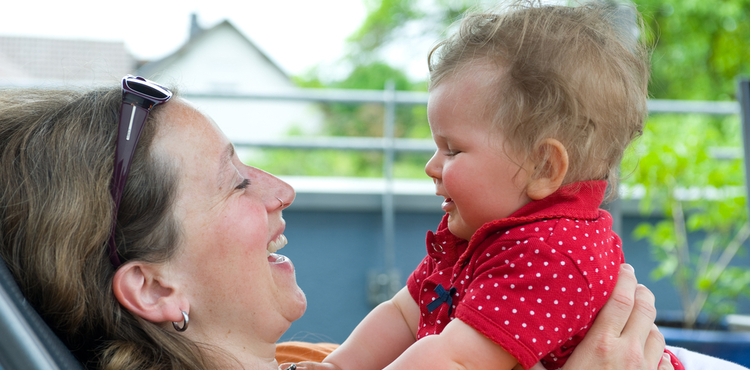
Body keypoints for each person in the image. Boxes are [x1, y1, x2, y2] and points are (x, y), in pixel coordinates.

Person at [302, 1, 686, 370]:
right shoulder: (486, 232)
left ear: (543, 167)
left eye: (452, 151)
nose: (431, 167)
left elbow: (454, 360)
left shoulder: (551, 253)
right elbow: (404, 313)